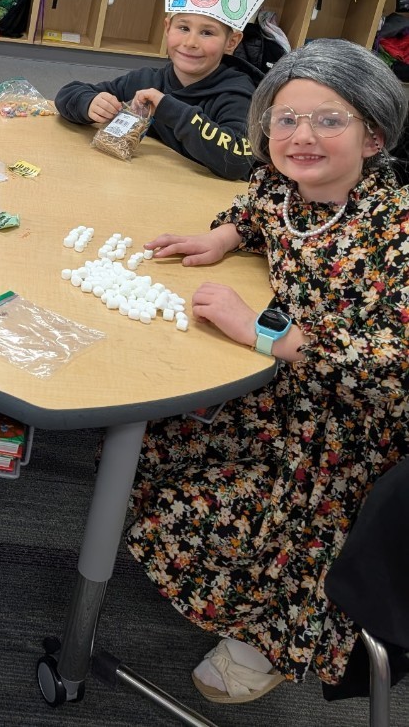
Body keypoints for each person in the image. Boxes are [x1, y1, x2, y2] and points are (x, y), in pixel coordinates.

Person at [129, 38, 409, 703]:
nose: (300, 135)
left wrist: (262, 332)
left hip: (348, 436)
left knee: (197, 511)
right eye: (284, 118)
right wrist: (222, 236)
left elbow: (391, 368)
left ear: (372, 137)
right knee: (147, 440)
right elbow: (256, 209)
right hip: (281, 394)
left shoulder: (395, 232)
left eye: (327, 119)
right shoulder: (282, 184)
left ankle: (274, 634)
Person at [55, 0, 274, 180]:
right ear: (167, 28)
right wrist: (89, 103)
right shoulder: (147, 80)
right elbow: (67, 94)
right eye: (183, 28)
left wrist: (170, 110)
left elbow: (237, 162)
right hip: (145, 186)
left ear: (232, 42)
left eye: (207, 33)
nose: (190, 43)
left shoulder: (238, 95)